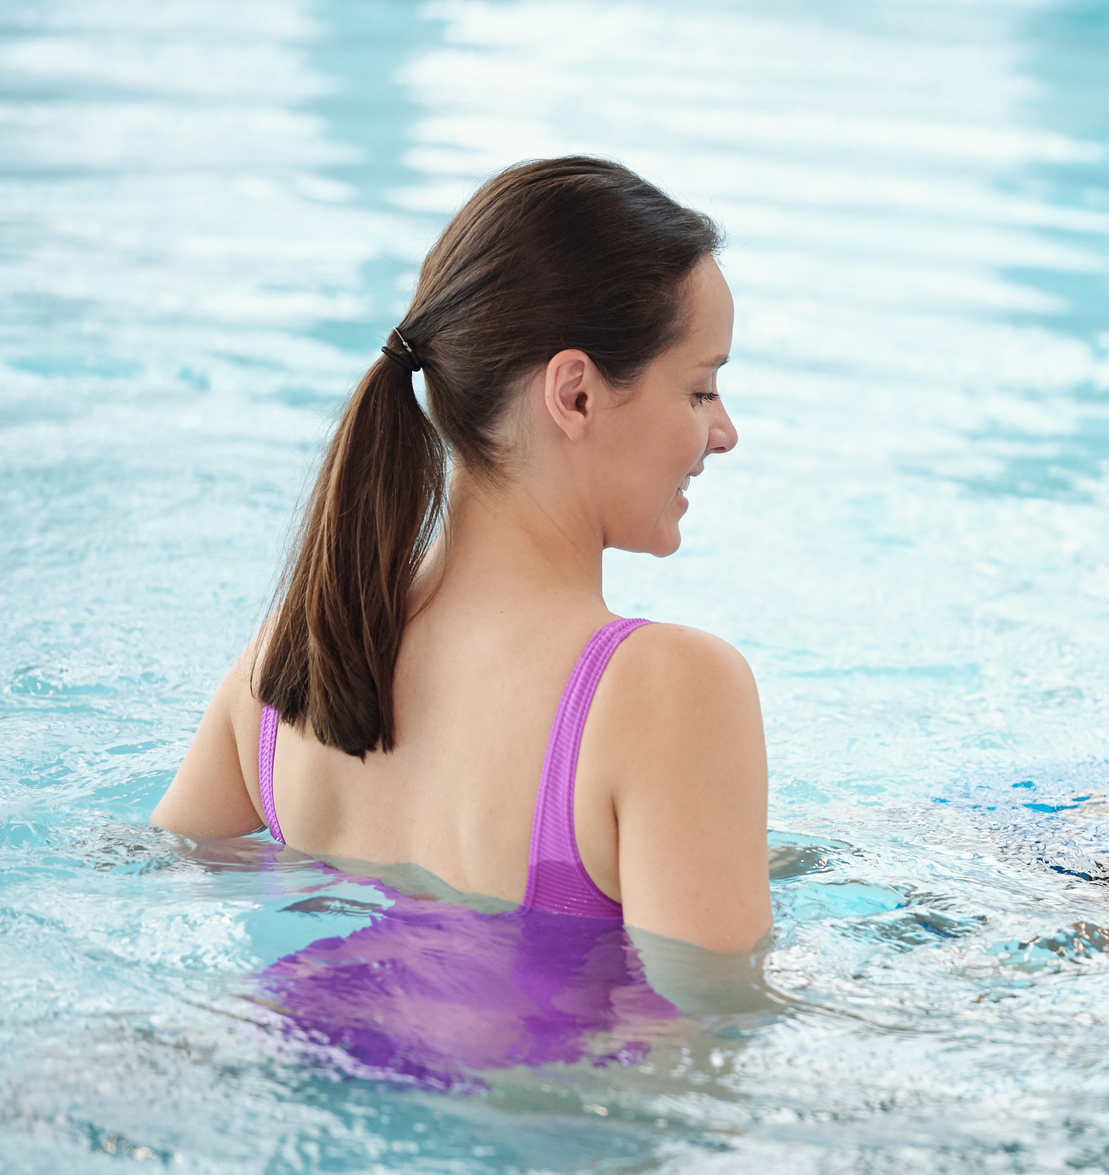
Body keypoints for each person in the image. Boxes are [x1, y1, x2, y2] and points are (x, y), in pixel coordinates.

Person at [151, 156, 769, 954]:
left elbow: (155, 871)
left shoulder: (296, 658)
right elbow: (712, 1039)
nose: (723, 433)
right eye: (699, 389)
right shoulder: (665, 694)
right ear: (574, 394)